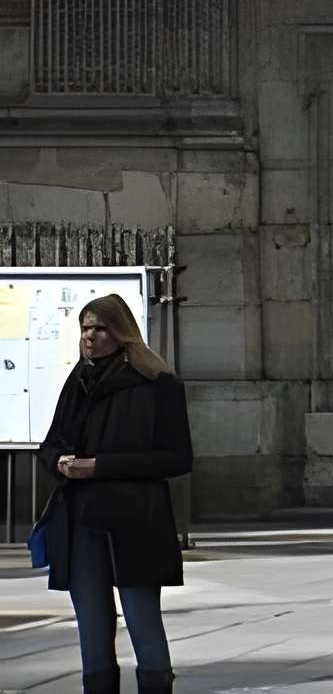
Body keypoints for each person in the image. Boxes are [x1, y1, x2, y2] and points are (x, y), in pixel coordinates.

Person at [38, 295, 193, 694]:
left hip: (135, 519)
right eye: (85, 328)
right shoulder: (79, 381)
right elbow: (51, 443)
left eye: (100, 328)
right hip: (80, 518)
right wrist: (60, 462)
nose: (89, 337)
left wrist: (99, 466)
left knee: (143, 619)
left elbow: (177, 458)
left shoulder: (158, 385)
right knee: (91, 625)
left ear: (121, 333)